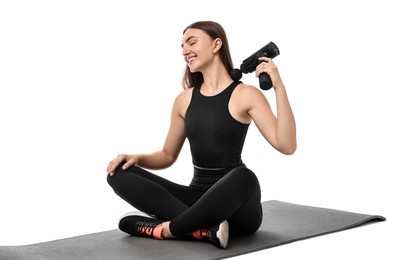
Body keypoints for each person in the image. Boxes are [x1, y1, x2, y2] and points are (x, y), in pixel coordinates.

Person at [106, 20, 296, 249]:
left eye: (192, 42)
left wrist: (279, 88)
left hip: (237, 208)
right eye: (182, 46)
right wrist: (137, 158)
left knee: (245, 177)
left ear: (216, 45)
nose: (185, 50)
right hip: (196, 198)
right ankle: (204, 230)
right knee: (118, 174)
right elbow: (167, 155)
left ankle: (169, 230)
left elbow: (286, 145)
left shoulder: (246, 94)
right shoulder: (184, 100)